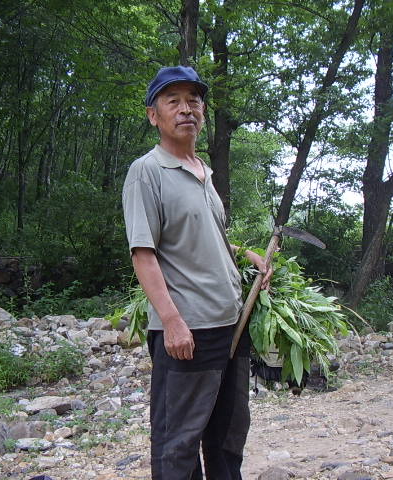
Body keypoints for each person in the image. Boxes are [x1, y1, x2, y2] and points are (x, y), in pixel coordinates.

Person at [122, 65, 272, 480]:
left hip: (231, 324)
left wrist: (246, 254)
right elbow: (144, 254)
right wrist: (171, 321)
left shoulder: (203, 171)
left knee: (227, 436)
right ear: (153, 115)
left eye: (194, 100)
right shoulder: (147, 172)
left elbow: (203, 238)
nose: (186, 109)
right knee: (178, 444)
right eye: (173, 101)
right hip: (189, 331)